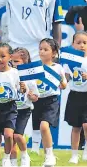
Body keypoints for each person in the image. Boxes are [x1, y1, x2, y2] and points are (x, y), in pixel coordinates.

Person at [34, 38, 67, 166]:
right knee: (38, 129)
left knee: (44, 126)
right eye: (40, 49)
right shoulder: (36, 67)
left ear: (53, 53)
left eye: (45, 49)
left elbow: (63, 85)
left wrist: (60, 81)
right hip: (37, 101)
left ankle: (49, 156)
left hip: (51, 101)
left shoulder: (57, 67)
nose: (42, 52)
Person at [10, 47, 38, 167]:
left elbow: (36, 97)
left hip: (24, 110)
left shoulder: (30, 78)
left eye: (17, 62)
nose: (14, 64)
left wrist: (30, 95)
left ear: (25, 62)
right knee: (9, 137)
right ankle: (12, 161)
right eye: (12, 62)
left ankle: (25, 155)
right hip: (10, 109)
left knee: (17, 135)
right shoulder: (9, 75)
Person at [65, 31, 87, 164]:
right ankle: (74, 154)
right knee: (76, 127)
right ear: (73, 44)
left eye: (85, 43)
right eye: (78, 43)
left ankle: (86, 151)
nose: (82, 45)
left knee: (86, 125)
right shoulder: (70, 61)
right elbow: (66, 78)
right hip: (74, 96)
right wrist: (62, 81)